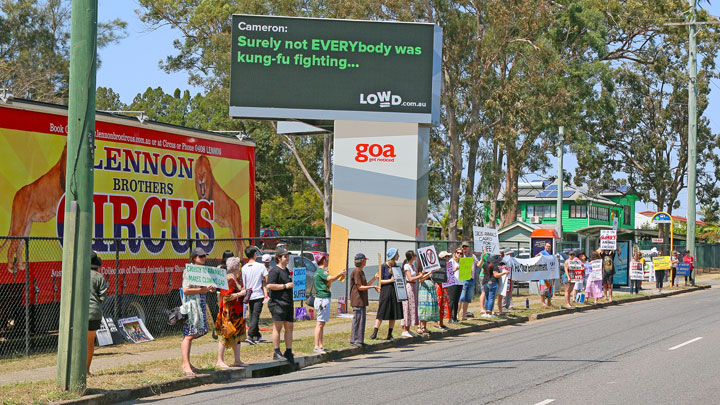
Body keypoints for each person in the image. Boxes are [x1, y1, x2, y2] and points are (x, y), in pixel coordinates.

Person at [181, 247, 216, 376]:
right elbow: (185, 290)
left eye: (204, 256)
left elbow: (204, 288)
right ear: (194, 258)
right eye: (201, 256)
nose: (203, 258)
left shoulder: (203, 272)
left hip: (200, 303)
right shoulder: (188, 271)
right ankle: (185, 365)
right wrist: (203, 290)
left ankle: (188, 363)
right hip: (191, 305)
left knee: (198, 331)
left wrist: (210, 289)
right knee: (189, 334)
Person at [215, 256, 248, 368]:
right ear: (235, 267)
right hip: (228, 314)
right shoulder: (229, 279)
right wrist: (240, 294)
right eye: (239, 265)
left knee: (237, 336)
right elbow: (226, 296)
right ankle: (220, 360)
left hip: (237, 313)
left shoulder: (235, 279)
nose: (240, 268)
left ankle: (237, 360)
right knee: (224, 336)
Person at [266, 247, 295, 363]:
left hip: (288, 302)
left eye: (288, 255)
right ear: (278, 258)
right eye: (285, 256)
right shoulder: (274, 271)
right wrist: (284, 286)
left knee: (289, 327)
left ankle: (288, 350)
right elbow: (269, 285)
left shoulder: (286, 270)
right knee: (277, 327)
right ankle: (276, 351)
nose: (287, 258)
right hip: (278, 303)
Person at [313, 253, 347, 353]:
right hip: (322, 299)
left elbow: (329, 281)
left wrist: (339, 275)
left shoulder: (321, 271)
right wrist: (340, 274)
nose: (326, 260)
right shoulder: (321, 271)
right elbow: (330, 278)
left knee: (322, 323)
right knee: (319, 323)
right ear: (322, 260)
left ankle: (320, 345)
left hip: (324, 298)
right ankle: (316, 346)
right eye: (325, 258)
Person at [370, 248, 404, 340]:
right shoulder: (383, 266)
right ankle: (375, 333)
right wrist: (390, 280)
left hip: (394, 292)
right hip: (385, 291)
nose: (398, 256)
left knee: (393, 313)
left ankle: (390, 334)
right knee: (382, 311)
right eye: (397, 254)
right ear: (393, 255)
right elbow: (380, 281)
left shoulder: (396, 267)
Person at [349, 253, 379, 347]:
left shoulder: (361, 271)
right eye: (365, 260)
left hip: (362, 300)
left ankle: (360, 340)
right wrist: (373, 286)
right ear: (361, 261)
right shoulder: (357, 271)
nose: (365, 262)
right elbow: (360, 287)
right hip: (357, 299)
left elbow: (365, 284)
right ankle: (355, 340)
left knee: (362, 320)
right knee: (357, 320)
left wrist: (374, 278)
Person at [87, 251, 108, 375]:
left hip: (78, 314)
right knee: (90, 342)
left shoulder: (78, 274)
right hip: (93, 312)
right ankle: (86, 370)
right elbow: (103, 296)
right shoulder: (98, 276)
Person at [241, 246, 267, 345]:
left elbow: (244, 283)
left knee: (253, 315)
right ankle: (251, 335)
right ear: (255, 254)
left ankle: (256, 334)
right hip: (258, 294)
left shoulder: (244, 268)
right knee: (255, 315)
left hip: (248, 295)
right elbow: (266, 278)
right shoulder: (261, 266)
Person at [401, 250, 423, 337]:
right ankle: (404, 329)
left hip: (414, 287)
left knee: (412, 306)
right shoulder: (406, 266)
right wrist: (419, 276)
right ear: (412, 257)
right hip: (409, 286)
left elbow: (417, 275)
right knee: (407, 307)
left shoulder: (413, 265)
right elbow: (410, 278)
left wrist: (425, 274)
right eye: (414, 255)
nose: (415, 257)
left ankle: (408, 329)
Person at [459, 241, 477, 320]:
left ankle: (463, 316)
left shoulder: (472, 256)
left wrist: (483, 256)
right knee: (461, 298)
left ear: (469, 247)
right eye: (463, 247)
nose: (464, 248)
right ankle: (456, 315)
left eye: (466, 246)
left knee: (467, 299)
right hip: (463, 279)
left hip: (471, 279)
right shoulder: (460, 255)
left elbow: (479, 264)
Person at [446, 248, 464, 323]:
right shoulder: (451, 261)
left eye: (461, 253)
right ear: (455, 253)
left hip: (460, 282)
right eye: (458, 253)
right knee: (452, 301)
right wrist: (455, 269)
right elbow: (448, 272)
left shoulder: (462, 262)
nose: (459, 254)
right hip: (453, 283)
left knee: (457, 301)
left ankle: (455, 318)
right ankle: (450, 318)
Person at [434, 251, 451, 330]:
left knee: (444, 304)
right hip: (439, 285)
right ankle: (436, 323)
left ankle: (441, 322)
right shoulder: (438, 266)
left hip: (445, 286)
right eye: (447, 256)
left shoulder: (448, 265)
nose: (448, 258)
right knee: (438, 303)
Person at [537, 242, 554, 307]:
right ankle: (543, 303)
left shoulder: (550, 254)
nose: (548, 247)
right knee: (543, 288)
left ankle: (549, 302)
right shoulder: (543, 252)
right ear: (544, 247)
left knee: (550, 288)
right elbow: (537, 256)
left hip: (549, 274)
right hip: (543, 274)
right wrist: (540, 255)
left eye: (549, 246)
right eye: (547, 246)